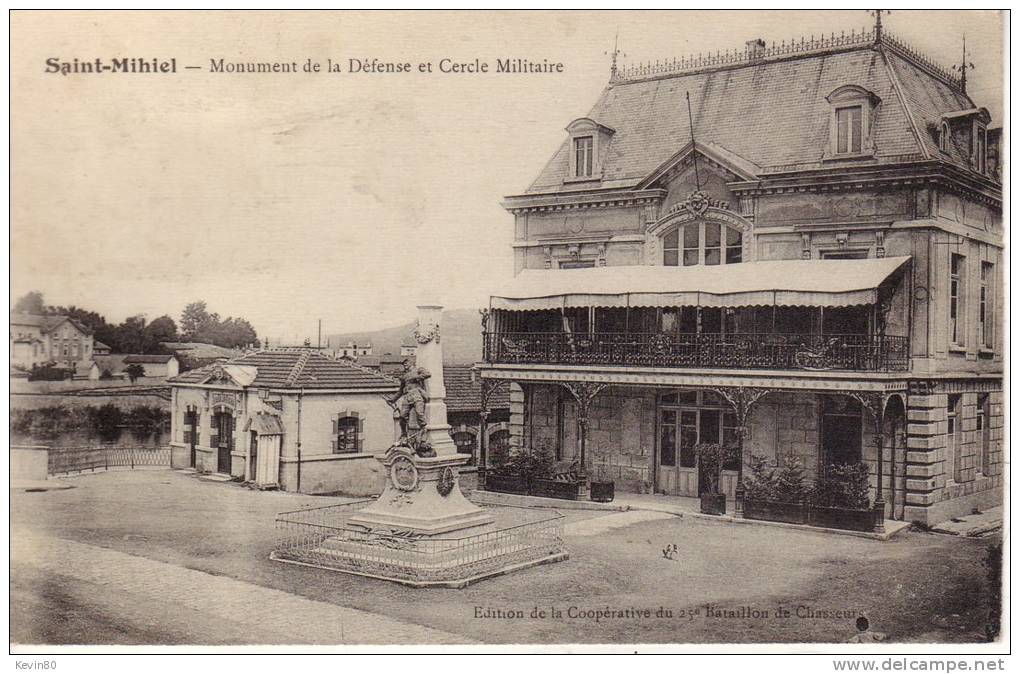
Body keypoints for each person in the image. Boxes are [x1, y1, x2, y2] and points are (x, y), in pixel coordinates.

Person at [390, 359, 432, 455]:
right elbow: (400, 391)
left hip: (417, 394)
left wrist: (416, 377)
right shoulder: (404, 376)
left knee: (419, 413)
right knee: (402, 416)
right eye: (403, 364)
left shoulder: (418, 370)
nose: (405, 365)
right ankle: (404, 433)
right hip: (407, 396)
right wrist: (393, 399)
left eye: (406, 363)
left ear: (412, 363)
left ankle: (423, 430)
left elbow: (428, 374)